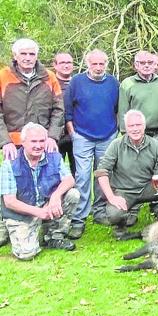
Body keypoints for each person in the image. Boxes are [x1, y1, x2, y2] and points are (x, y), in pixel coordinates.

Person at [95, 110, 158, 240]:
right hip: (124, 192)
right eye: (131, 126)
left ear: (144, 126)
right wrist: (112, 197)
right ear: (125, 128)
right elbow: (102, 172)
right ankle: (121, 227)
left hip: (147, 188)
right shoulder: (116, 145)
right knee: (114, 214)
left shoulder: (154, 144)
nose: (135, 129)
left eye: (138, 125)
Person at [0, 123, 79, 259]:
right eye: (33, 141)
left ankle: (54, 236)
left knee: (73, 194)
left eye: (42, 141)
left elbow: (69, 180)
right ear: (23, 142)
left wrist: (55, 196)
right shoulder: (10, 164)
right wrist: (38, 212)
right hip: (21, 213)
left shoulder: (54, 157)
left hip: (45, 206)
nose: (38, 145)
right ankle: (12, 228)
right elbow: (9, 202)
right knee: (26, 254)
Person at [64, 49, 119, 238]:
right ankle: (79, 219)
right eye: (94, 63)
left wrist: (116, 130)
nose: (98, 67)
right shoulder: (76, 82)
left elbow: (118, 108)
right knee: (82, 177)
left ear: (106, 64)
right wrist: (73, 133)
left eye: (101, 63)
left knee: (102, 175)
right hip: (83, 137)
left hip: (107, 136)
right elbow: (68, 111)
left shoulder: (113, 83)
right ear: (87, 63)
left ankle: (99, 212)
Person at [0, 38, 64, 162]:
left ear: (36, 56)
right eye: (23, 54)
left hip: (42, 143)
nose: (28, 58)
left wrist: (52, 136)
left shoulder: (49, 77)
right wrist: (5, 141)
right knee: (14, 179)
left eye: (32, 54)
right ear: (15, 55)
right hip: (13, 144)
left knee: (46, 180)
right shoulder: (3, 76)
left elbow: (59, 110)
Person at [118, 50, 158, 151]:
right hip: (137, 134)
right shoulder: (127, 84)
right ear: (136, 65)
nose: (146, 66)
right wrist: (126, 133)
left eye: (150, 63)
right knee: (139, 165)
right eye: (142, 63)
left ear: (155, 64)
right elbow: (123, 112)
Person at [53, 52, 76, 175]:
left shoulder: (78, 83)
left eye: (69, 63)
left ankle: (77, 195)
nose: (66, 66)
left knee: (78, 172)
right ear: (55, 65)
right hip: (56, 136)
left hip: (76, 135)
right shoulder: (50, 83)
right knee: (56, 172)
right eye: (62, 62)